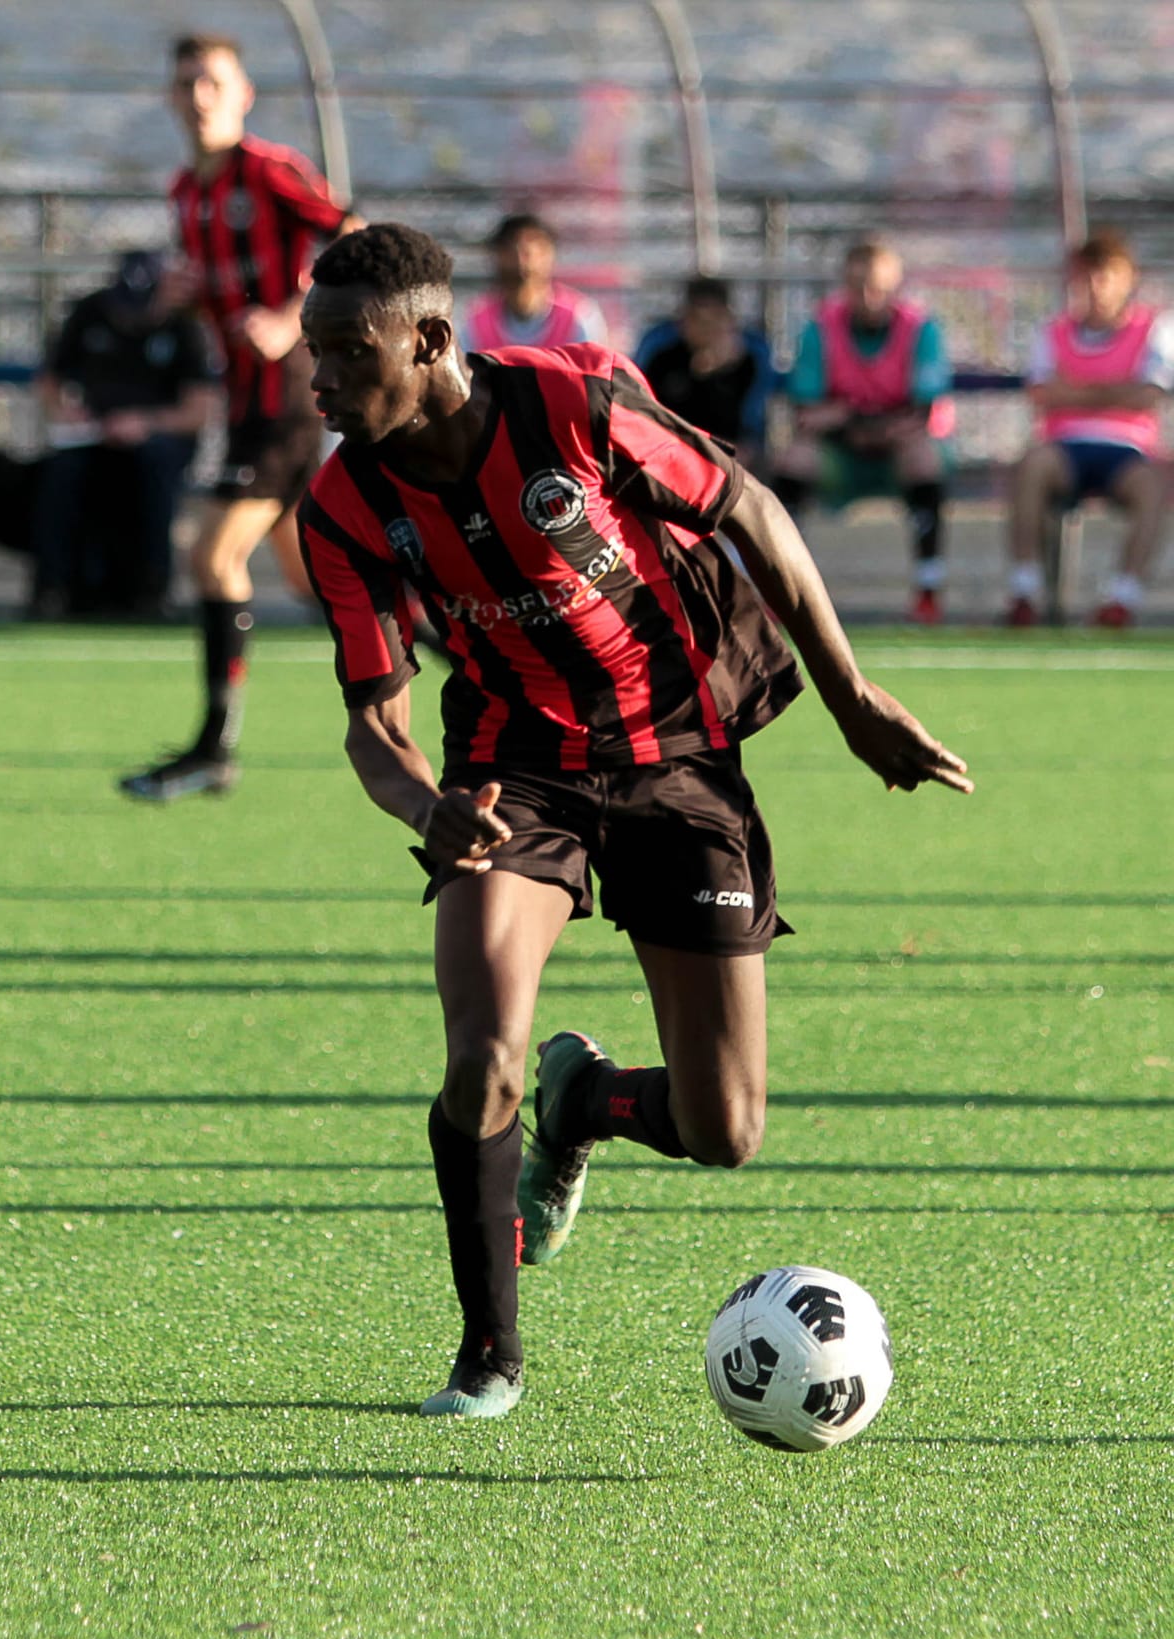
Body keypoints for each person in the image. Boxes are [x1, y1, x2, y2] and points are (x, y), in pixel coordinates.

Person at [295, 224, 972, 1418]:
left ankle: (587, 1101)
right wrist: (424, 805)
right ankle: (487, 1352)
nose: (322, 381)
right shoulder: (342, 504)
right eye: (315, 353)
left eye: (351, 352)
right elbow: (371, 720)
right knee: (478, 1054)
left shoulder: (569, 403)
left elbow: (749, 507)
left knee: (725, 1130)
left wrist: (849, 699)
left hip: (676, 756)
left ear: (430, 340)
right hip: (515, 773)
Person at [117, 30, 359, 802]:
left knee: (214, 555)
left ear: (243, 94)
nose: (198, 96)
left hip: (288, 396)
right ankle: (479, 668)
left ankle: (214, 748)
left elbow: (349, 235)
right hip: (243, 401)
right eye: (187, 83)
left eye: (213, 82)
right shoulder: (187, 192)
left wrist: (293, 316)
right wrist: (180, 298)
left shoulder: (270, 170)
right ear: (170, 98)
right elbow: (211, 287)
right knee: (318, 580)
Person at [774, 238, 955, 624]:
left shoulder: (920, 328)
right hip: (841, 453)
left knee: (924, 458)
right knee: (794, 458)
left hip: (895, 452)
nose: (869, 297)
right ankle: (780, 589)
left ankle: (928, 588)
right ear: (844, 285)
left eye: (879, 288)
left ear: (896, 287)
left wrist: (846, 414)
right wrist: (862, 421)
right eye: (858, 287)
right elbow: (806, 413)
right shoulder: (820, 328)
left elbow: (921, 414)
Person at [1003, 230, 1174, 628]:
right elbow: (1043, 393)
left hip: (1126, 448)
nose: (1096, 288)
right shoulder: (1054, 331)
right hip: (1065, 447)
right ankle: (1023, 591)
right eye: (1087, 277)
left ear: (1127, 278)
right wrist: (1115, 390)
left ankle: (1121, 598)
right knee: (1031, 467)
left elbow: (1147, 395)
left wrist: (1076, 391)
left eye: (1105, 276)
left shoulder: (1153, 329)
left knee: (1153, 485)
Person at [31, 249, 214, 618]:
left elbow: (199, 411)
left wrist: (145, 423)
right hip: (95, 436)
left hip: (157, 438)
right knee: (59, 473)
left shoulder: (185, 326)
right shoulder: (91, 313)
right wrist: (68, 414)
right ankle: (55, 587)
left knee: (154, 468)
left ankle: (152, 589)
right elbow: (50, 381)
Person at [633, 275, 775, 463]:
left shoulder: (750, 356)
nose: (705, 328)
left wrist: (723, 371)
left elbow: (749, 425)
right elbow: (648, 410)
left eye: (714, 319)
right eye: (697, 318)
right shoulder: (661, 353)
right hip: (669, 450)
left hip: (732, 456)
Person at [460, 212, 608, 354]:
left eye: (533, 244)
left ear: (550, 254)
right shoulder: (476, 321)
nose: (521, 255)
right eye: (511, 246)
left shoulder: (579, 316)